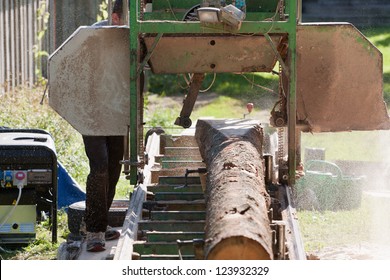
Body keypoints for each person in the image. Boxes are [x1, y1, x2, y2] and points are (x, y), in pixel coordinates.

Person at [83, 0, 125, 252]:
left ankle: (97, 220)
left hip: (115, 111)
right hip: (90, 112)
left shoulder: (128, 38)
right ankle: (94, 232)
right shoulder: (93, 36)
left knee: (113, 166)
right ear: (115, 18)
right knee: (99, 166)